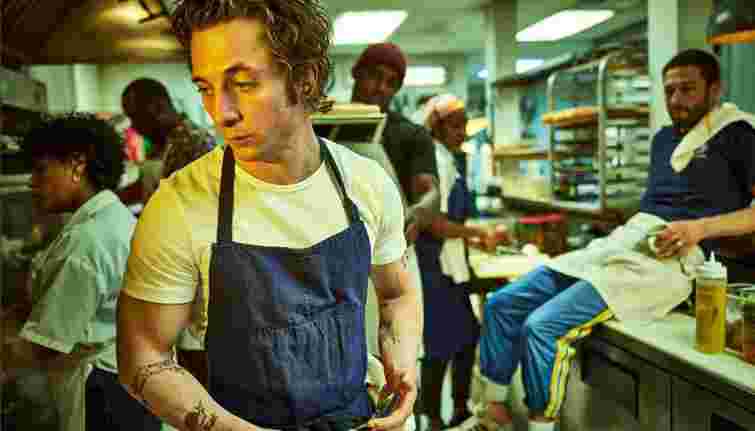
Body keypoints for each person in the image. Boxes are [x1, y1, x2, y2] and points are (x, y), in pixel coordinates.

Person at [116, 2, 422, 431]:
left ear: (305, 78)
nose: (221, 112)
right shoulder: (179, 205)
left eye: (243, 83)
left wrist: (403, 364)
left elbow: (397, 294)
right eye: (205, 87)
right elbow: (143, 355)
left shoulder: (366, 185)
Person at [463, 49, 755, 431]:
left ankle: (540, 425)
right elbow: (659, 202)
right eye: (669, 90)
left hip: (674, 259)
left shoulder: (739, 134)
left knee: (541, 327)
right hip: (627, 241)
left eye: (687, 89)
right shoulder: (663, 140)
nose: (676, 99)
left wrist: (698, 229)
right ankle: (494, 414)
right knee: (501, 304)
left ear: (714, 90)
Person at [0, 114, 161, 431]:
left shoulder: (87, 241)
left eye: (41, 169)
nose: (32, 182)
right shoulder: (112, 220)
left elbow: (46, 343)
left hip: (105, 397)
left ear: (77, 166)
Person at [415, 95, 507, 431]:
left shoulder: (448, 159)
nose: (463, 132)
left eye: (464, 125)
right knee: (440, 345)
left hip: (450, 266)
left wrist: (473, 240)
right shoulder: (436, 160)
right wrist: (478, 233)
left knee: (466, 336)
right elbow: (433, 223)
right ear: (436, 127)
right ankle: (434, 417)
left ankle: (458, 409)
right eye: (455, 126)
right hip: (434, 266)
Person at [350, 42, 440, 244]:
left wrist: (420, 212)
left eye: (391, 83)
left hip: (391, 246)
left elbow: (430, 191)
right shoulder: (321, 126)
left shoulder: (413, 135)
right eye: (375, 76)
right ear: (356, 73)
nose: (381, 88)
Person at [121, 77, 216, 202]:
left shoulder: (193, 143)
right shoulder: (162, 141)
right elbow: (149, 186)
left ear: (158, 107)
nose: (134, 126)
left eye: (137, 117)